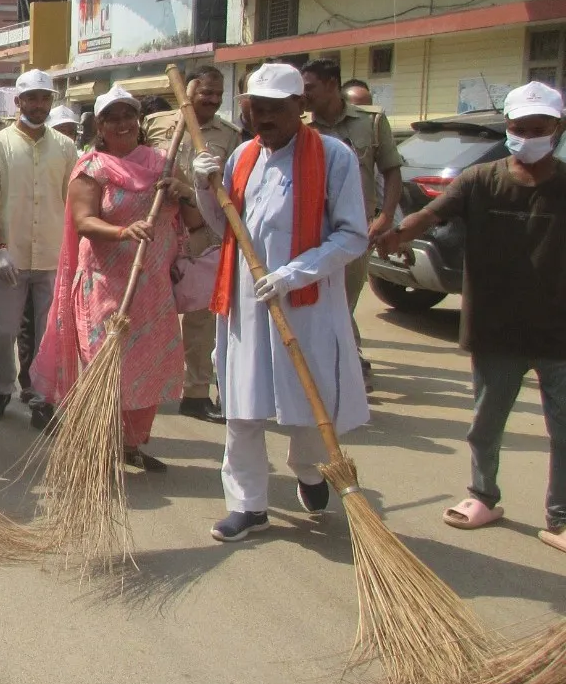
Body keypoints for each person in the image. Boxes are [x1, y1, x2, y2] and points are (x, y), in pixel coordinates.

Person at [375, 82, 566, 551]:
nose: (528, 137)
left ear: (558, 129)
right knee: (486, 422)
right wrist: (396, 234)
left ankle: (561, 517)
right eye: (520, 128)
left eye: (539, 129)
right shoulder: (481, 179)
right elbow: (432, 214)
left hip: (558, 330)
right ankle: (483, 496)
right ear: (509, 128)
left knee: (563, 427)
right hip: (495, 327)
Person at [193, 62, 370, 542]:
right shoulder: (243, 155)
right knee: (242, 407)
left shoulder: (333, 156)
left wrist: (293, 274)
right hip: (247, 302)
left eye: (275, 109)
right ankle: (248, 505)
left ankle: (308, 468)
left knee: (310, 400)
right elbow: (225, 226)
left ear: (300, 106)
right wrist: (205, 187)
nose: (265, 119)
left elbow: (353, 235)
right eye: (257, 109)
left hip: (306, 303)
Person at [33, 86, 193, 472]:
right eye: (112, 118)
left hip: (151, 286)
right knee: (106, 366)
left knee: (147, 365)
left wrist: (184, 192)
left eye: (128, 116)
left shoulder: (163, 163)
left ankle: (129, 444)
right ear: (100, 127)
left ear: (138, 121)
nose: (122, 124)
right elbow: (84, 221)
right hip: (104, 285)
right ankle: (96, 445)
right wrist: (124, 231)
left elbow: (195, 219)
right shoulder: (92, 167)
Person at [0, 68, 77, 428]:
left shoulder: (65, 147)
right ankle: (2, 388)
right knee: (4, 330)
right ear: (18, 101)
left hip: (52, 255)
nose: (38, 105)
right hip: (11, 256)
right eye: (31, 98)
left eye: (45, 98)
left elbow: (73, 202)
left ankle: (41, 396)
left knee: (50, 333)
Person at [144, 65, 242, 424]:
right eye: (205, 94)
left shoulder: (230, 136)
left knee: (201, 319)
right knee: (150, 311)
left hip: (202, 233)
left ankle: (197, 393)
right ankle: (145, 387)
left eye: (218, 95)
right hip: (157, 231)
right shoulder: (155, 124)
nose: (212, 101)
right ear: (187, 91)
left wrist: (188, 190)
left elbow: (230, 188)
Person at [302, 58, 402, 394]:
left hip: (357, 231)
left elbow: (391, 171)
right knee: (315, 304)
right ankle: (336, 370)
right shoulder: (301, 125)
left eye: (310, 87)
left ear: (332, 84)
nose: (304, 95)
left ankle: (344, 371)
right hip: (310, 231)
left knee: (343, 304)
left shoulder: (371, 122)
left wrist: (386, 217)